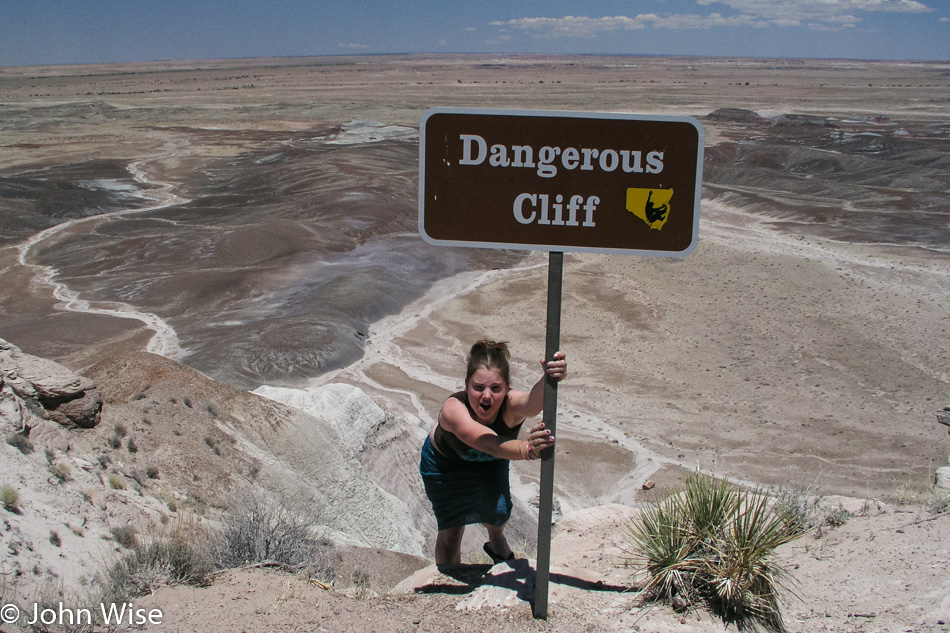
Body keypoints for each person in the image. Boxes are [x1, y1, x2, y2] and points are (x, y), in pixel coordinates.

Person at [419, 340, 567, 565]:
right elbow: (486, 442)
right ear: (466, 384)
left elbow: (532, 404)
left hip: (490, 461)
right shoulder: (453, 410)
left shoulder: (510, 405)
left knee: (498, 512)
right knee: (451, 530)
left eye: (495, 389)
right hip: (445, 466)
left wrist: (551, 377)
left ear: (507, 388)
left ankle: (496, 542)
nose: (486, 396)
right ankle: (450, 576)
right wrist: (527, 450)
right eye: (478, 388)